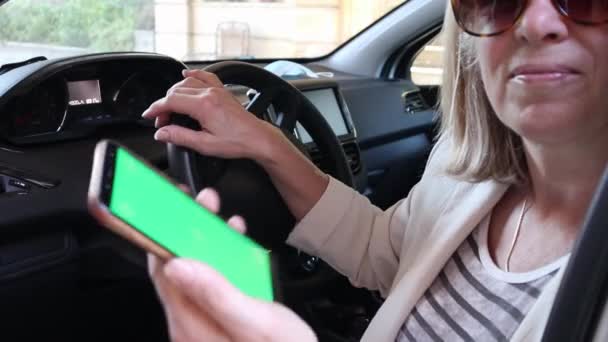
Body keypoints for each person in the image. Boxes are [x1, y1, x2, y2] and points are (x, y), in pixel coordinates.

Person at [141, 0, 608, 340]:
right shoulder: (464, 167)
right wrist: (265, 141)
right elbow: (379, 249)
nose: (536, 22)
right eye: (501, 1)